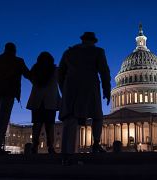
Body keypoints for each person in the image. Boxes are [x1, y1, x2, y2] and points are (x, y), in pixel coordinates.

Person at [58, 32, 111, 163]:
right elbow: (104, 72)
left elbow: (60, 73)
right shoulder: (98, 51)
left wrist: (63, 89)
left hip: (71, 87)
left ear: (82, 40)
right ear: (93, 41)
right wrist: (106, 90)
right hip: (90, 86)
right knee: (97, 116)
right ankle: (96, 144)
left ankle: (67, 153)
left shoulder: (68, 52)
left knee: (70, 118)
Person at [0, 42, 30, 155]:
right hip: (8, 93)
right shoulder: (19, 61)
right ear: (14, 50)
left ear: (4, 49)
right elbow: (27, 74)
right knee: (3, 120)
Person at [26, 52, 61, 154]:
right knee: (50, 125)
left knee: (37, 124)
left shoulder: (35, 70)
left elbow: (29, 77)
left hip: (37, 100)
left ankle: (34, 147)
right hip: (50, 101)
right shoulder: (55, 70)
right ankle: (50, 147)